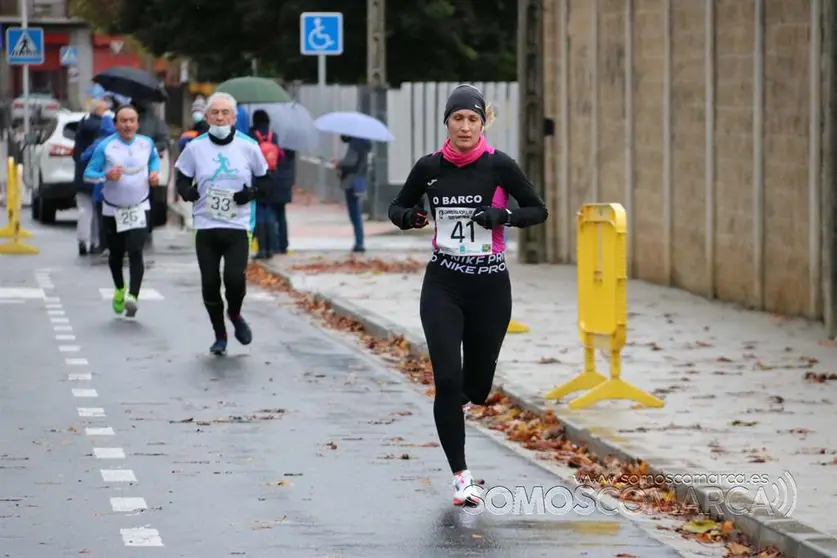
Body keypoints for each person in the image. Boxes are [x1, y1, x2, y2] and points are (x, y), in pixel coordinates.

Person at [387, 84, 548, 506]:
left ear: (482, 123)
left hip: (490, 287)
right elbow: (396, 207)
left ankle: (460, 401)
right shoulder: (430, 167)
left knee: (476, 387)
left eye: (472, 118)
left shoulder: (500, 166)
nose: (464, 126)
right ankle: (461, 477)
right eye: (457, 118)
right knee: (447, 378)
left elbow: (538, 210)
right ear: (447, 122)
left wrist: (504, 216)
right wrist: (409, 216)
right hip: (443, 283)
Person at [173, 92, 272, 356]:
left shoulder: (248, 146)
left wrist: (249, 194)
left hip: (238, 225)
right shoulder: (195, 147)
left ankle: (236, 314)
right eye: (214, 112)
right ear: (206, 117)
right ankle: (220, 334)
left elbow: (265, 181)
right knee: (210, 282)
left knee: (234, 280)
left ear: (234, 117)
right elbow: (181, 177)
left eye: (225, 112)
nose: (219, 117)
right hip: (205, 225)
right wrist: (187, 192)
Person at [84, 104, 161, 317]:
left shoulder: (146, 143)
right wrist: (106, 176)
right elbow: (88, 174)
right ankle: (119, 288)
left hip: (139, 205)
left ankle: (133, 297)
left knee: (136, 251)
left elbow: (154, 159)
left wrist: (154, 173)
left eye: (131, 120)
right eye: (123, 121)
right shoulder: (106, 147)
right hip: (112, 208)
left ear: (137, 123)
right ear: (116, 124)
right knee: (116, 254)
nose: (127, 124)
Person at [73, 98, 111, 256]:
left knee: (84, 209)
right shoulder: (102, 128)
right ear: (100, 111)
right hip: (97, 174)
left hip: (81, 174)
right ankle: (95, 242)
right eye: (105, 109)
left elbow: (76, 154)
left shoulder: (82, 124)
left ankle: (82, 240)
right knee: (96, 211)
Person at [249, 109, 284, 259]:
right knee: (270, 214)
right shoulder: (273, 136)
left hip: (257, 179)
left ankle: (262, 249)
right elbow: (280, 158)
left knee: (259, 214)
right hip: (272, 178)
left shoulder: (251, 136)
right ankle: (271, 248)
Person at [334, 135, 371, 253]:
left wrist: (338, 163)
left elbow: (350, 162)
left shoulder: (356, 143)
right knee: (356, 214)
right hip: (358, 180)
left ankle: (359, 243)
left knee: (354, 214)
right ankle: (359, 242)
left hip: (352, 182)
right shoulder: (364, 142)